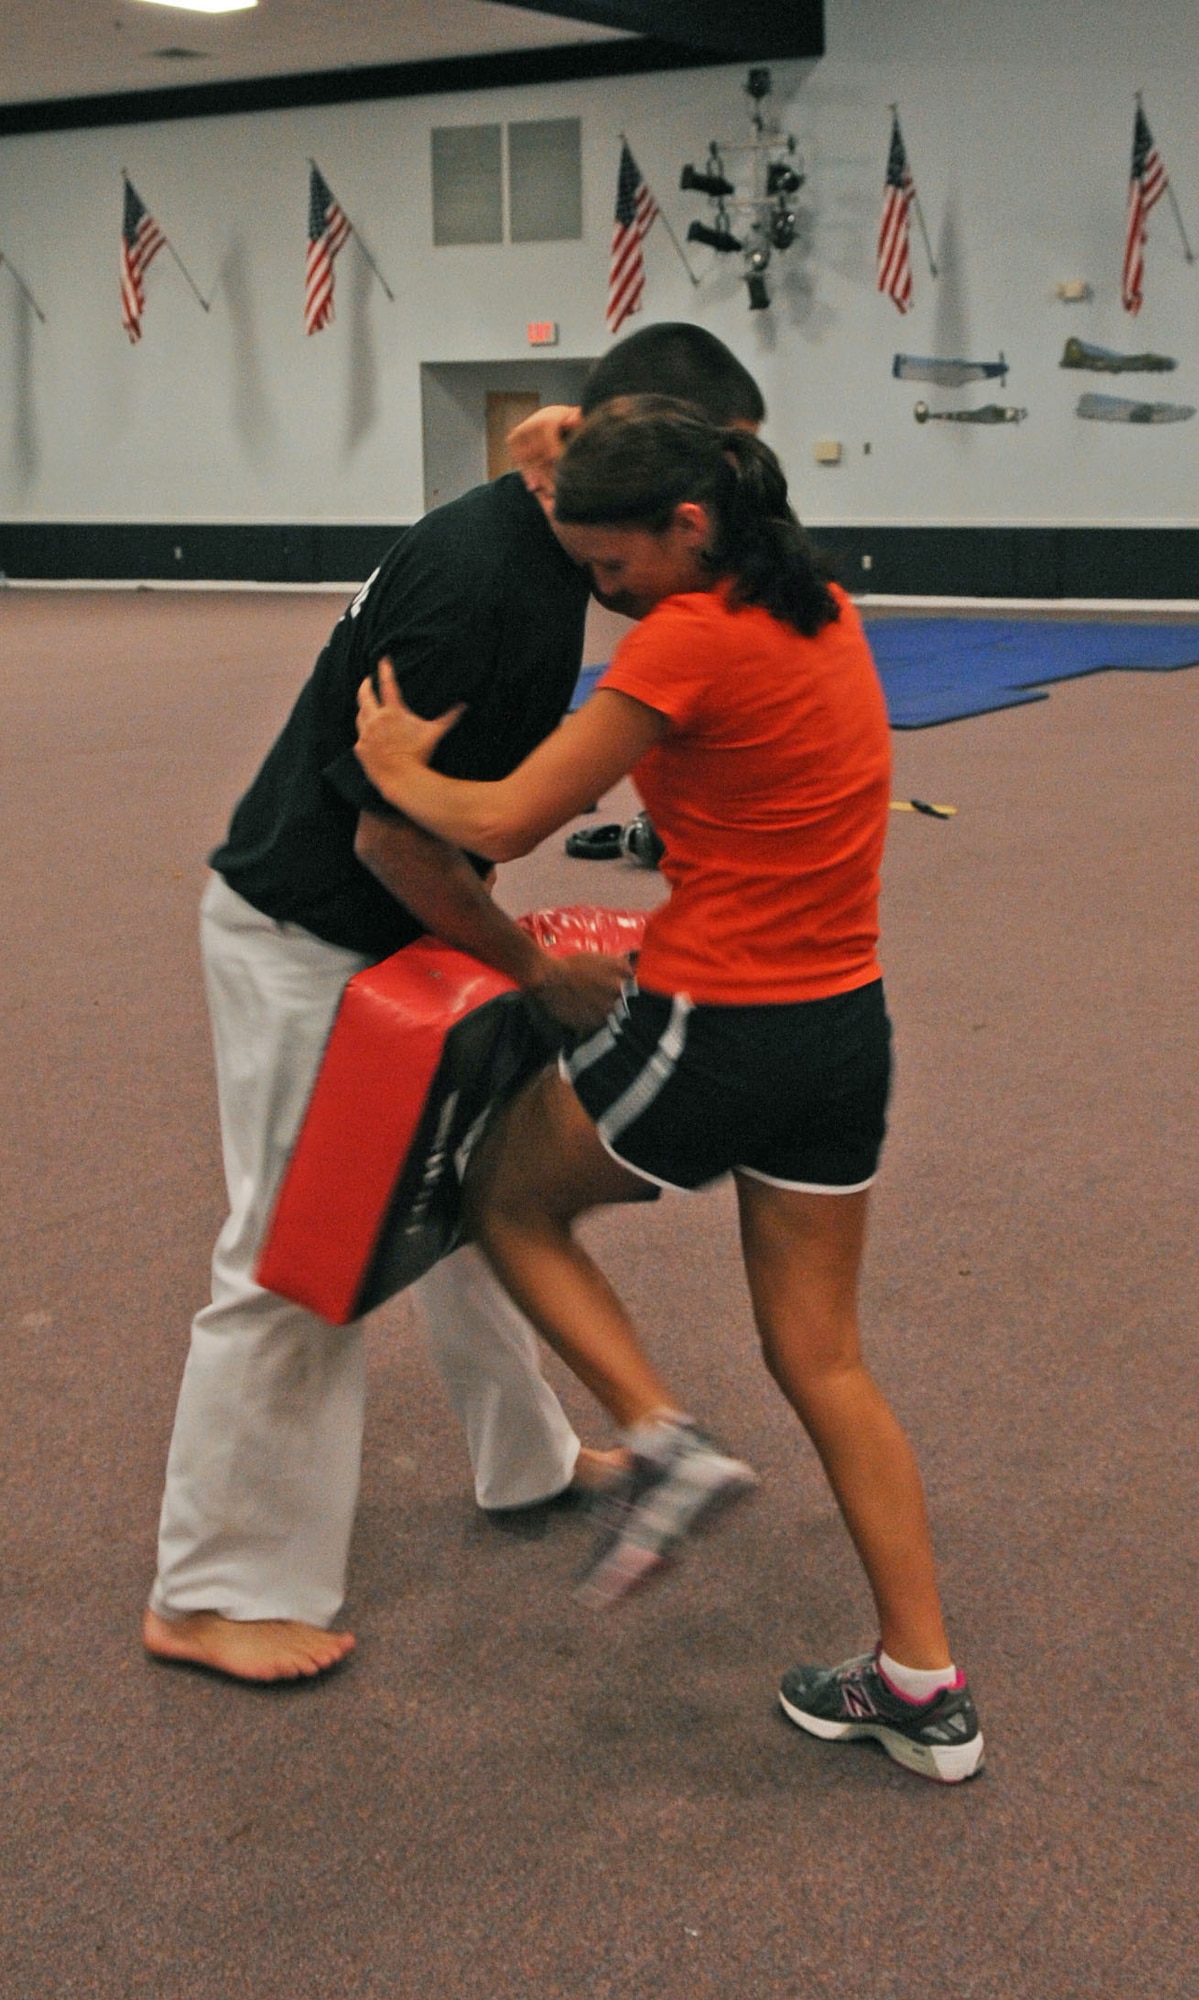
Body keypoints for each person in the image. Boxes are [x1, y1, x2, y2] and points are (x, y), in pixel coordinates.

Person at [353, 399, 986, 1783]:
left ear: (685, 527)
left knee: (503, 1195)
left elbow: (505, 816)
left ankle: (659, 1440)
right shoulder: (813, 599)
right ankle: (924, 1685)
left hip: (721, 1022)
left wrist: (398, 765)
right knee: (821, 1355)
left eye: (610, 566)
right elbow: (762, 768)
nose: (599, 590)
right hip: (843, 1033)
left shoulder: (682, 637)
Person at [144, 328, 767, 1685]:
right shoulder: (486, 583)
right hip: (313, 929)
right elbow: (390, 842)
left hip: (407, 936)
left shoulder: (541, 528)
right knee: (295, 1251)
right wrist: (534, 970)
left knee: (469, 1188)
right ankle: (211, 1586)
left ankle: (528, 1465)